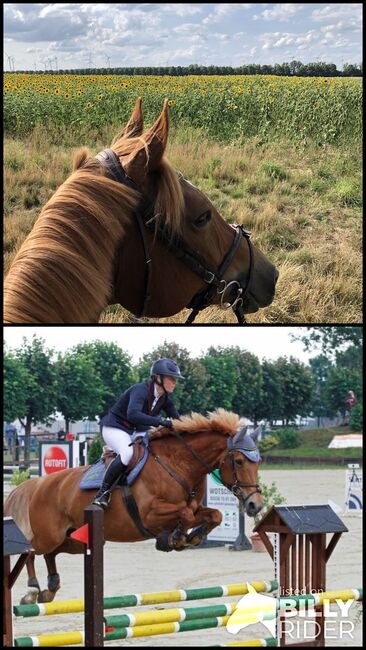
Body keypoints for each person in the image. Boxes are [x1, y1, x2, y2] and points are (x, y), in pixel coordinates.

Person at [92, 358, 184, 509]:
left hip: (136, 431)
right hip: (116, 427)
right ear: (158, 378)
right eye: (171, 379)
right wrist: (160, 421)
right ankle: (103, 492)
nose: (174, 383)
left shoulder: (164, 398)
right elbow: (133, 415)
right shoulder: (140, 390)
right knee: (127, 454)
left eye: (175, 380)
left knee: (156, 450)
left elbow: (177, 419)